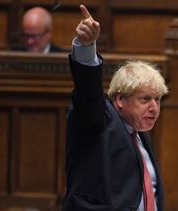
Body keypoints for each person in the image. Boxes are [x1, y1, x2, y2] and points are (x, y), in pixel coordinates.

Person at [63, 5, 167, 211]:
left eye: (158, 99)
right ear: (120, 99)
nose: (154, 108)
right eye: (145, 99)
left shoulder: (140, 134)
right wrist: (86, 47)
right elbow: (88, 93)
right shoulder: (100, 121)